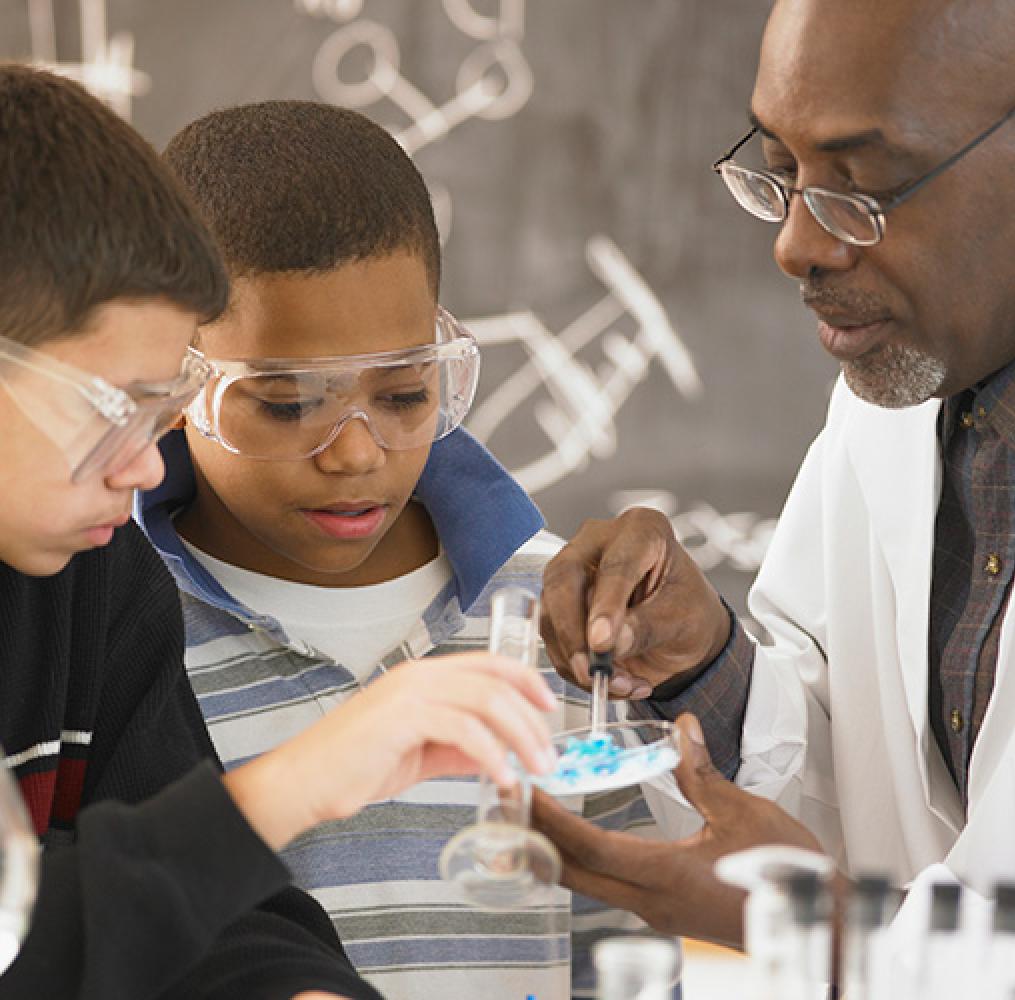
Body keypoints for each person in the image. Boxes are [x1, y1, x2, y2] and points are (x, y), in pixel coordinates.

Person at [0, 64, 558, 1000]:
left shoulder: (94, 581)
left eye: (163, 411)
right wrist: (296, 783)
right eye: (115, 410)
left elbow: (201, 927)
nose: (144, 468)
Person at [140, 99, 666, 1000]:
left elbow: (615, 949)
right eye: (285, 401)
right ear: (173, 374)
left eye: (403, 394)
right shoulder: (116, 636)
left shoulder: (558, 618)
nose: (354, 452)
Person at [532, 0, 1015, 951]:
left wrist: (805, 926)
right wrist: (705, 663)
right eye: (783, 170)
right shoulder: (907, 404)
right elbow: (867, 782)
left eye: (862, 183)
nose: (792, 244)